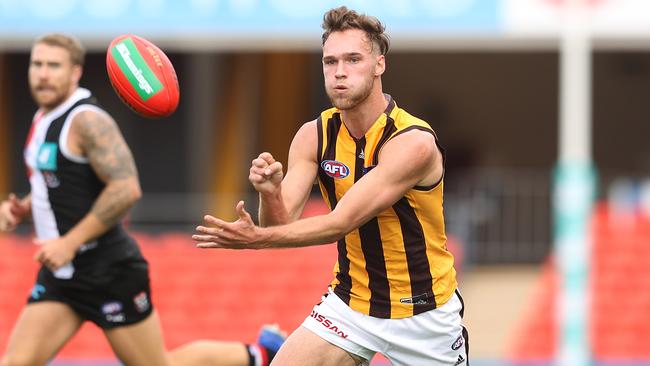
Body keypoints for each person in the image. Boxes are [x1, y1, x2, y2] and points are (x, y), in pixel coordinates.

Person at [193, 6, 469, 366]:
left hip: (423, 312)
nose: (339, 72)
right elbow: (280, 225)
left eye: (353, 59)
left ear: (379, 64)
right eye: (330, 61)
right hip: (350, 304)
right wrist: (271, 192)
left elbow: (341, 222)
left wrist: (254, 239)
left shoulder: (411, 142)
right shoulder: (313, 135)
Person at [0, 33, 284, 366]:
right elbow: (61, 184)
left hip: (107, 269)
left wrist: (69, 242)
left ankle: (262, 352)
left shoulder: (88, 122)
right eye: (37, 64)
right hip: (62, 274)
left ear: (76, 72)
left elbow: (125, 188)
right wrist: (26, 206)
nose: (43, 73)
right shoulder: (43, 118)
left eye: (54, 66)